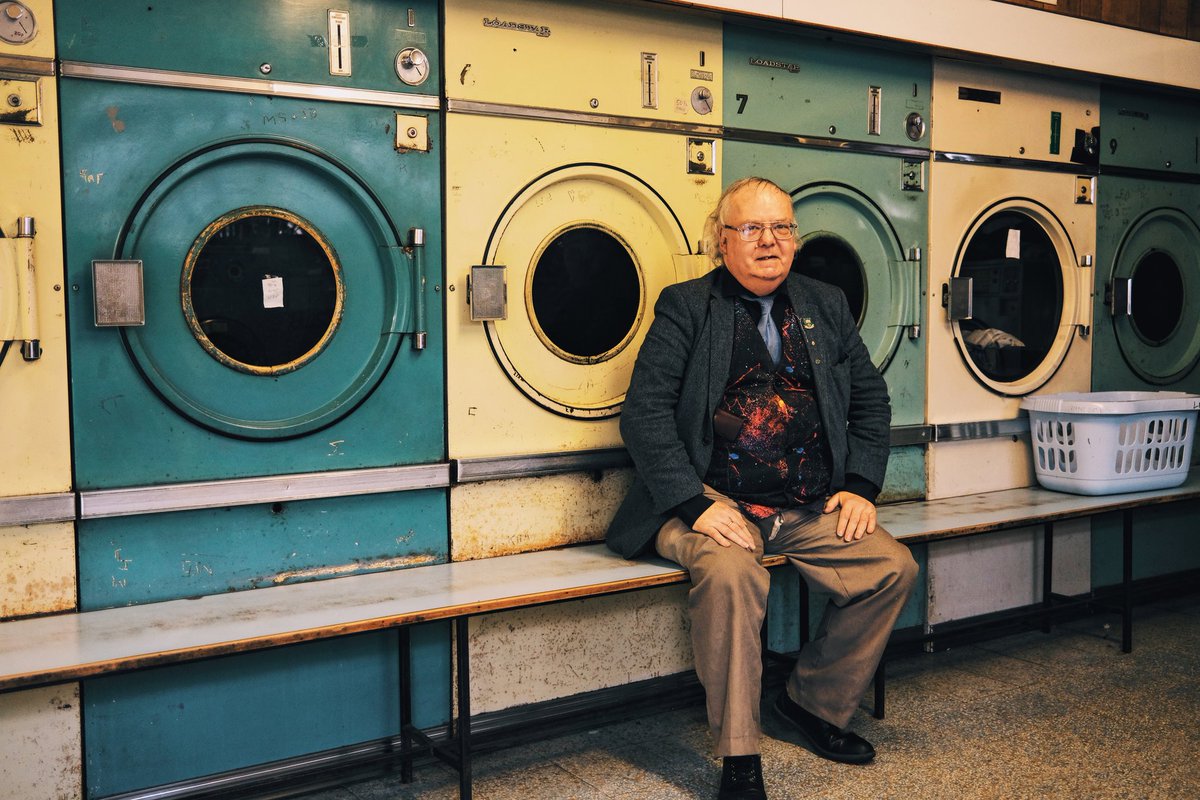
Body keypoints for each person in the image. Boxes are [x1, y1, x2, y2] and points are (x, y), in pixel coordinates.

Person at [606, 177, 919, 799]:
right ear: (722, 241)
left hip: (803, 502)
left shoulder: (824, 303)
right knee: (732, 575)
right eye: (751, 229)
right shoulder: (686, 306)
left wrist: (860, 484)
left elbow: (870, 398)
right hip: (705, 503)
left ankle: (810, 705)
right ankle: (739, 757)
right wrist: (695, 506)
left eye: (782, 228)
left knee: (891, 567)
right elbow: (644, 414)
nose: (769, 241)